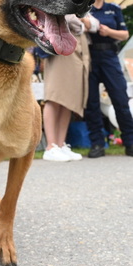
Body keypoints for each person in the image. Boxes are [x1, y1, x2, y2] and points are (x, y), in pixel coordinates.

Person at [84, 0, 133, 158]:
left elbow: (124, 34)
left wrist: (108, 31)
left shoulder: (113, 9)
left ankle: (129, 142)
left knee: (120, 99)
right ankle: (97, 143)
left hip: (110, 56)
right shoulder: (85, 9)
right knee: (92, 103)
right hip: (90, 57)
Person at [42, 14, 90, 161]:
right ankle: (50, 146)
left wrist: (82, 20)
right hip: (60, 51)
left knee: (68, 101)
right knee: (54, 97)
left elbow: (93, 24)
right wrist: (81, 20)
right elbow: (58, 18)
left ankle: (60, 144)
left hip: (77, 52)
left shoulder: (82, 8)